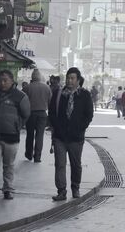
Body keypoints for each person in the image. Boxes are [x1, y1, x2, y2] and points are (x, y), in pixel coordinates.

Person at [0, 70, 30, 200]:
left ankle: (8, 188)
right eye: (0, 80)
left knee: (8, 164)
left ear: (12, 81)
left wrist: (17, 125)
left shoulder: (20, 96)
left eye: (5, 80)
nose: (2, 83)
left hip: (11, 137)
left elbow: (26, 114)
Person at [48, 67, 93, 201]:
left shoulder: (84, 95)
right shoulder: (58, 94)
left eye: (72, 78)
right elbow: (51, 112)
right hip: (60, 137)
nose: (69, 80)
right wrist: (56, 127)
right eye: (68, 78)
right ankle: (61, 191)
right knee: (60, 164)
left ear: (78, 80)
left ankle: (75, 187)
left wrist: (80, 128)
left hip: (76, 138)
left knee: (76, 164)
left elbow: (89, 115)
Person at [22, 69, 52, 163]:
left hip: (30, 114)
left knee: (30, 135)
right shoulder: (47, 88)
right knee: (40, 136)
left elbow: (21, 102)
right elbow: (50, 103)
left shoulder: (27, 87)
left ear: (32, 77)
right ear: (40, 77)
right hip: (43, 114)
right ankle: (37, 157)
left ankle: (29, 154)